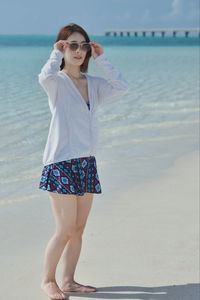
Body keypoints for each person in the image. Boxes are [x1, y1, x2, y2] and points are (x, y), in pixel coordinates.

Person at [38, 23, 129, 299]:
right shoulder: (57, 83)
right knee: (64, 229)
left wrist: (102, 59)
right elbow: (43, 76)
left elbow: (122, 86)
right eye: (71, 45)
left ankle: (68, 281)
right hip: (61, 162)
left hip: (86, 163)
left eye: (83, 46)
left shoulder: (94, 84)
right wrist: (55, 55)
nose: (78, 51)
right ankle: (47, 280)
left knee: (78, 229)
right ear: (63, 48)